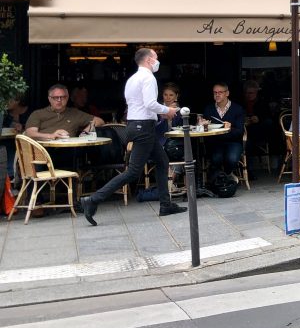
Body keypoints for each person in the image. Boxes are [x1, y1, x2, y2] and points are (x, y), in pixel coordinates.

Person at [80, 48, 185, 225]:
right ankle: (93, 200)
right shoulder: (148, 78)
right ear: (149, 60)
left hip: (136, 125)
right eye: (156, 58)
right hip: (144, 127)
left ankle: (166, 204)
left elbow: (138, 105)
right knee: (133, 171)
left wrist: (161, 112)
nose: (158, 61)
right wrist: (169, 110)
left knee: (162, 162)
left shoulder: (132, 79)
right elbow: (150, 103)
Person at [25, 84, 104, 142]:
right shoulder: (38, 114)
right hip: (43, 152)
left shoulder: (75, 113)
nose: (59, 100)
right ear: (49, 99)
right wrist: (52, 136)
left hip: (68, 152)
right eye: (56, 97)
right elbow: (30, 133)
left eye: (62, 97)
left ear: (68, 98)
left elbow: (99, 121)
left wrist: (85, 132)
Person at [200, 83, 246, 175]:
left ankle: (226, 177)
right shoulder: (209, 109)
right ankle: (219, 179)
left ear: (227, 93)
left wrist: (230, 128)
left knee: (232, 159)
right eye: (215, 92)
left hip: (234, 142)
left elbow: (240, 131)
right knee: (216, 159)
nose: (217, 95)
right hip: (215, 142)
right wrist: (202, 125)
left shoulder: (237, 109)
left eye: (220, 92)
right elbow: (204, 130)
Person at [156, 83, 185, 179]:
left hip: (176, 142)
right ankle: (170, 182)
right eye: (165, 95)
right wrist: (165, 116)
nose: (168, 98)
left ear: (176, 96)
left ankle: (171, 180)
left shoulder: (181, 111)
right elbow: (155, 128)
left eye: (171, 95)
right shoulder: (157, 109)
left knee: (180, 151)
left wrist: (175, 112)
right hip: (160, 142)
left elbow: (182, 128)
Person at [2, 94, 29, 176]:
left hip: (25, 140)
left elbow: (32, 127)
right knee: (9, 144)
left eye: (8, 100)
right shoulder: (4, 113)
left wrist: (22, 127)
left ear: (17, 101)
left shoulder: (29, 112)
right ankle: (11, 175)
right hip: (8, 139)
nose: (5, 102)